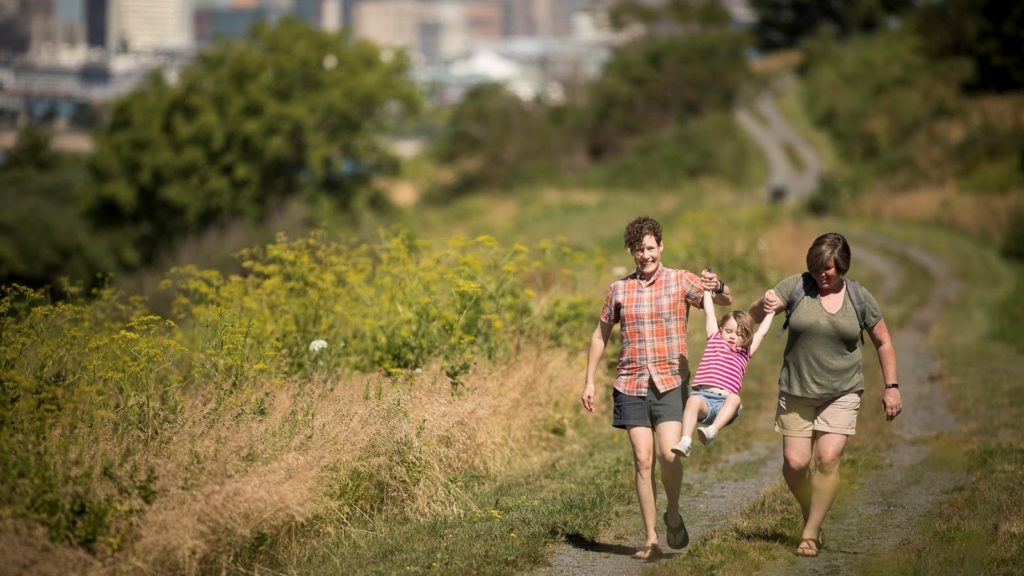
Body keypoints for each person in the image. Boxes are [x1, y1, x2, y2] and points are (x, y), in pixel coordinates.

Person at [580, 216, 732, 560]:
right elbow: (599, 334)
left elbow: (724, 300)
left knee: (668, 454)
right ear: (632, 252)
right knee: (642, 458)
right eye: (638, 249)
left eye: (650, 248)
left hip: (670, 384)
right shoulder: (619, 289)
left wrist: (718, 285)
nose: (645, 255)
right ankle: (650, 538)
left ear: (660, 247)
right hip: (630, 383)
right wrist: (589, 380)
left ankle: (673, 512)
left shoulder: (680, 281)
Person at [747, 232, 902, 558]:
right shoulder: (797, 286)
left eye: (828, 270)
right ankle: (811, 510)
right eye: (816, 268)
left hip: (842, 392)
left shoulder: (859, 297)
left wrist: (891, 387)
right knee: (795, 463)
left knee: (827, 460)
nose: (821, 275)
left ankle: (811, 532)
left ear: (842, 266)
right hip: (797, 389)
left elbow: (884, 342)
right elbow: (754, 315)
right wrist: (764, 303)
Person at [671, 279, 775, 458]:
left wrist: (771, 312)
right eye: (729, 332)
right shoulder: (714, 339)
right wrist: (705, 290)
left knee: (735, 398)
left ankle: (712, 430)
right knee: (692, 401)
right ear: (721, 329)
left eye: (740, 334)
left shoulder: (746, 351)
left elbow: (762, 333)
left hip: (724, 405)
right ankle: (685, 441)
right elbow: (710, 314)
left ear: (746, 337)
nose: (734, 337)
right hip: (704, 398)